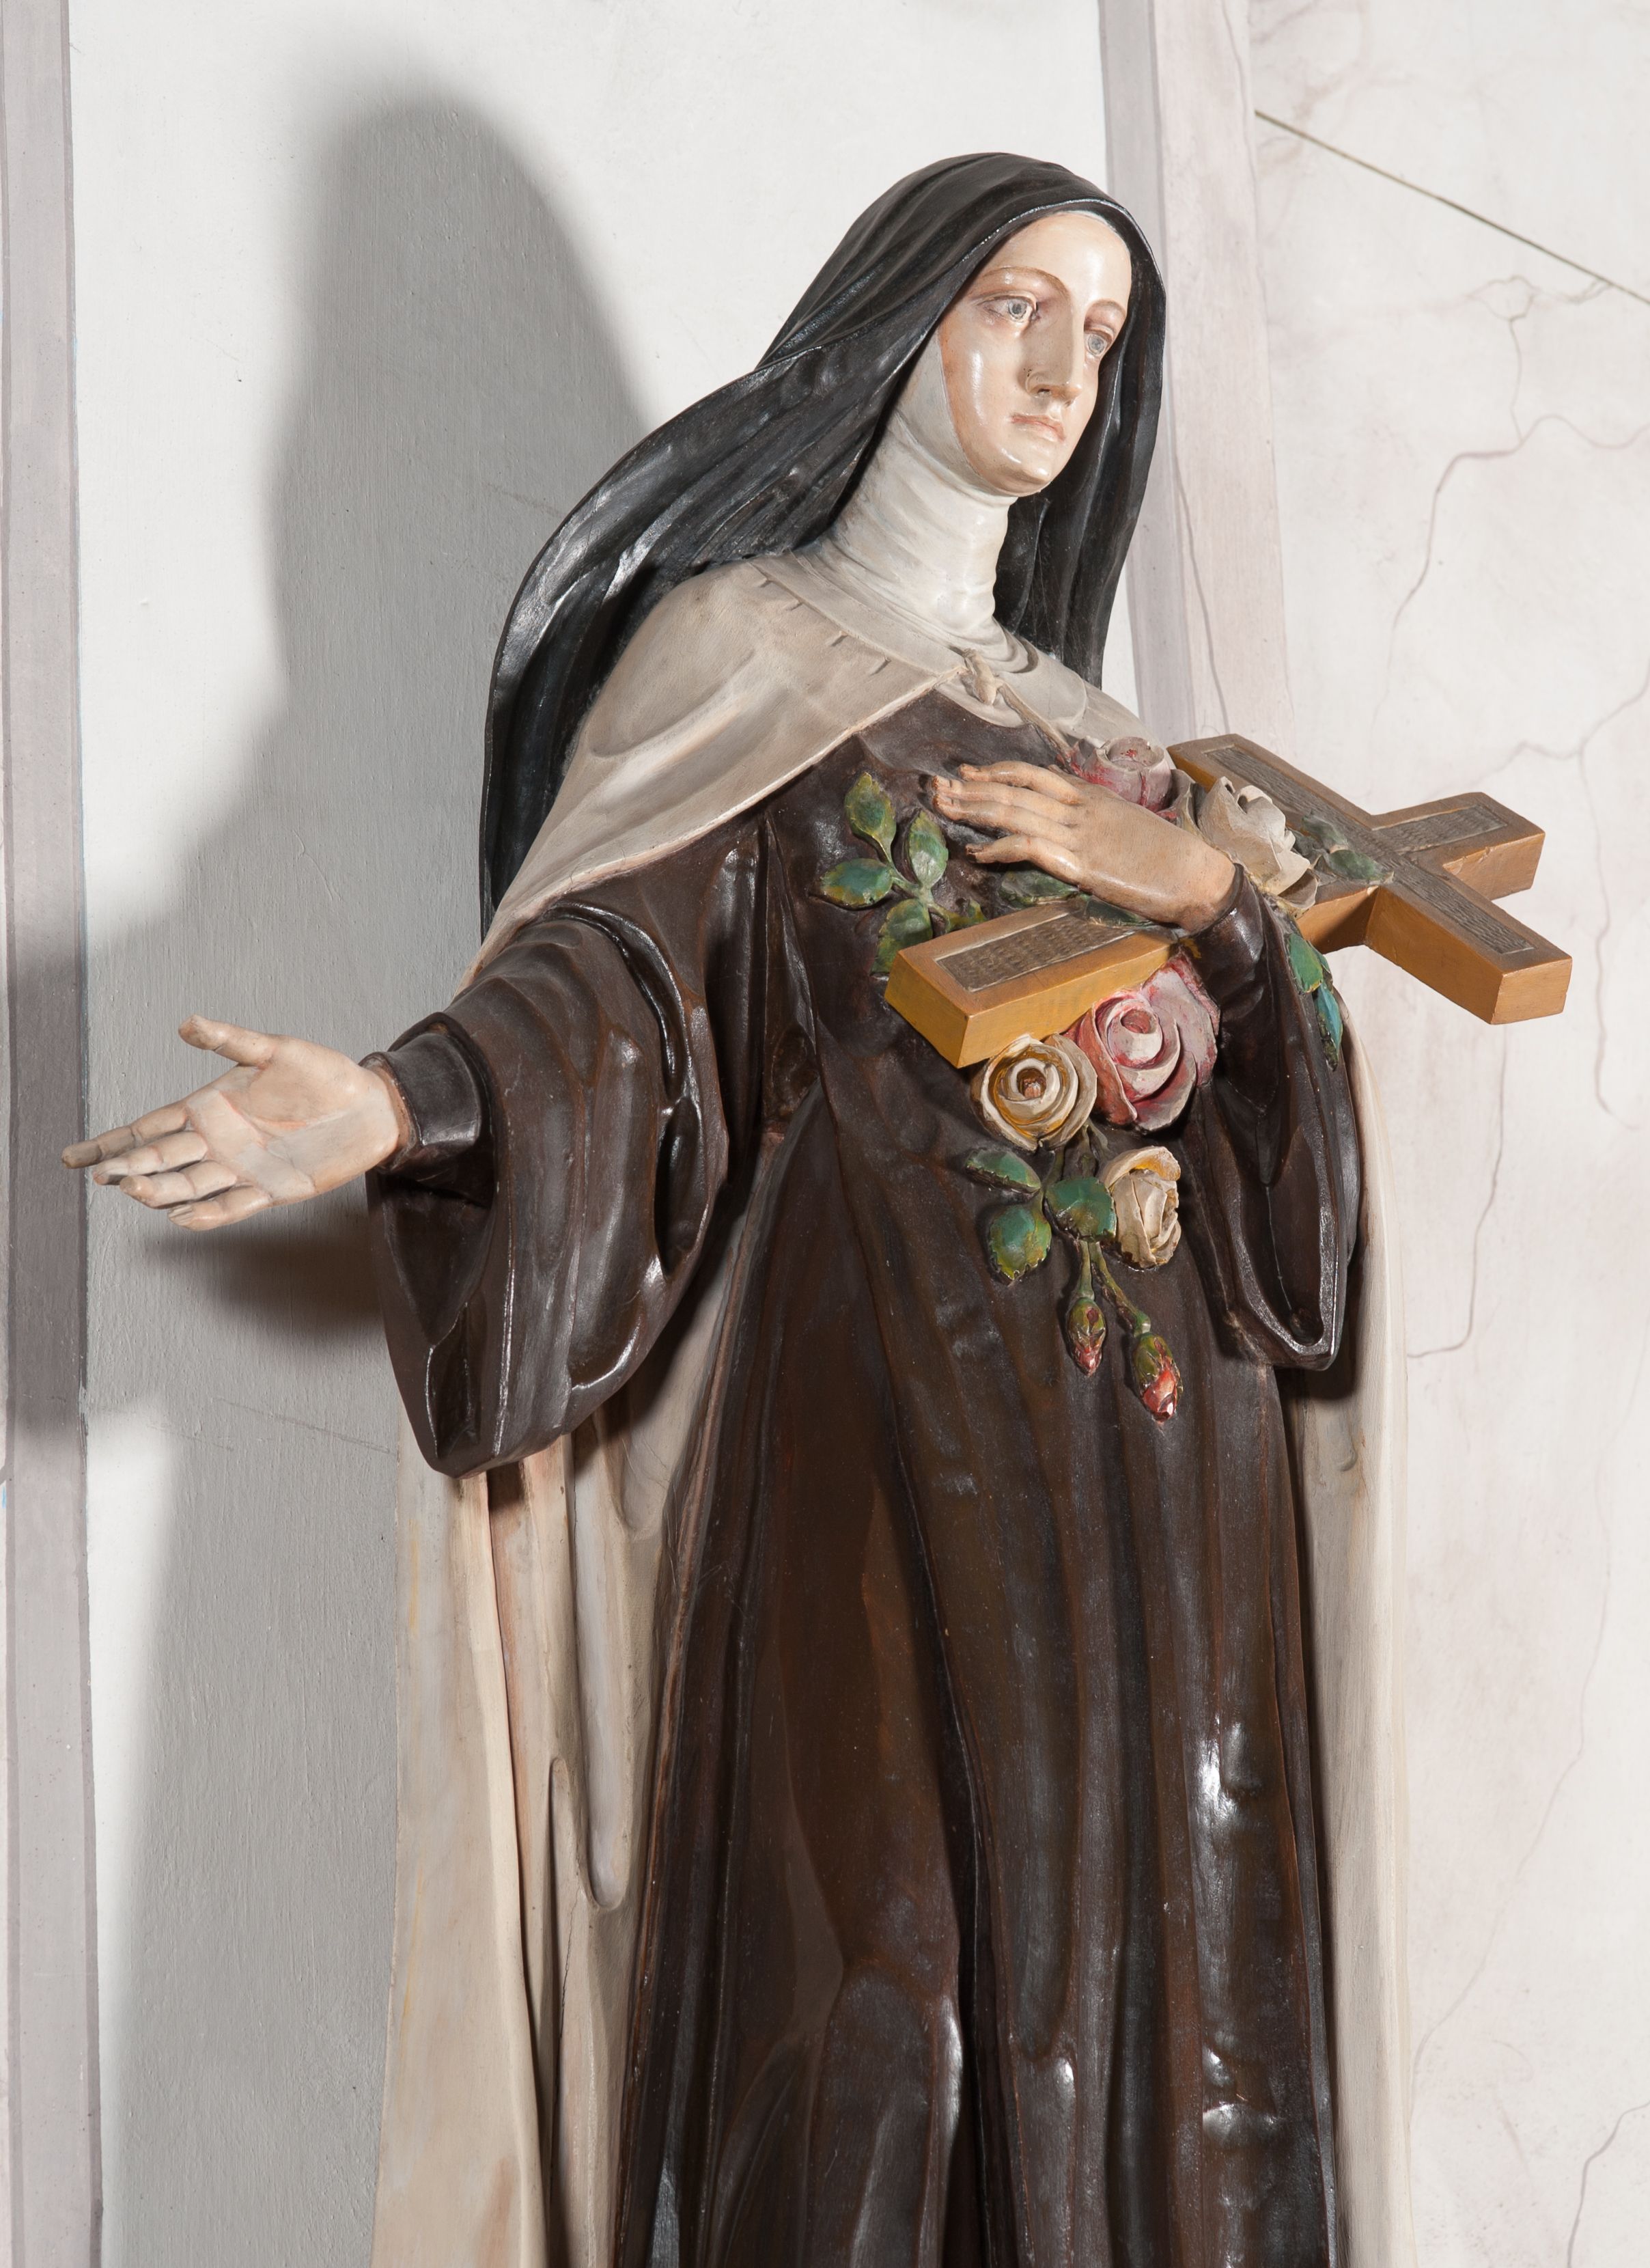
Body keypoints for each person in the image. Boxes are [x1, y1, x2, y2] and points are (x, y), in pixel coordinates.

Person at [68, 156, 1363, 2268]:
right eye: (1016, 306)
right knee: (875, 2008)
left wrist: (1215, 904)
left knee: (1129, 2035)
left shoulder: (1117, 754)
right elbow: (620, 988)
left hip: (1153, 1492)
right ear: (903, 320)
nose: (1061, 369)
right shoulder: (748, 655)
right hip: (873, 1427)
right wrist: (393, 1104)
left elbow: (1295, 1211)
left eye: (1104, 335)